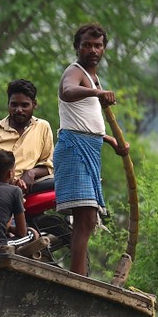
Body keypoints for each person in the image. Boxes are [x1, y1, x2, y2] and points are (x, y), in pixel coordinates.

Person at [55, 23, 129, 275]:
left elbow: (88, 123)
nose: (93, 50)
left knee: (87, 219)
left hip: (90, 148)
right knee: (85, 216)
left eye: (98, 45)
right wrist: (97, 92)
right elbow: (67, 91)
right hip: (74, 149)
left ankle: (79, 274)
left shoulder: (93, 77)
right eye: (87, 45)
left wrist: (111, 141)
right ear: (77, 47)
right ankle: (78, 277)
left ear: (104, 49)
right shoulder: (74, 72)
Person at [0, 79, 54, 192]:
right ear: (8, 104)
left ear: (34, 104)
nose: (19, 110)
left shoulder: (43, 127)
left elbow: (48, 165)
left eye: (25, 105)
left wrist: (31, 173)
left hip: (27, 188)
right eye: (14, 105)